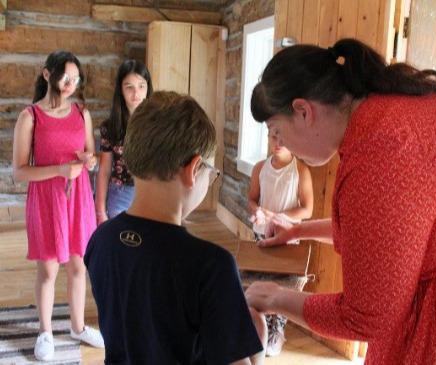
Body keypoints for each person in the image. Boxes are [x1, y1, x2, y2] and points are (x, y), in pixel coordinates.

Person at [245, 38, 436, 365]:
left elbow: (368, 316)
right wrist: (298, 230)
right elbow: (384, 236)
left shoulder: (381, 154)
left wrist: (276, 297)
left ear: (303, 110)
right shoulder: (386, 112)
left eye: (276, 130)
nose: (278, 143)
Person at [85, 91, 267, 364]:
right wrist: (258, 342)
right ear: (194, 169)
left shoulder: (101, 240)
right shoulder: (212, 266)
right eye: (211, 173)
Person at [12, 50, 104, 361]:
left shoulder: (81, 112)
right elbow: (20, 170)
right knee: (49, 268)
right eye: (66, 78)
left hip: (78, 199)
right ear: (47, 74)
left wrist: (88, 160)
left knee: (79, 265)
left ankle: (78, 327)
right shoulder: (30, 117)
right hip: (47, 200)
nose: (71, 85)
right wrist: (59, 170)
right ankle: (45, 331)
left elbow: (90, 154)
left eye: (76, 80)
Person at [247, 127, 313, 356]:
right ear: (267, 137)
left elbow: (307, 208)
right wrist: (258, 211)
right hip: (261, 233)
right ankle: (257, 327)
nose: (278, 141)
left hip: (286, 236)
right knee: (259, 278)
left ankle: (277, 332)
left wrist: (279, 217)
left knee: (284, 285)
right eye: (273, 136)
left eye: (283, 136)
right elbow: (252, 200)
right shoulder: (259, 168)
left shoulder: (300, 170)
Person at [95, 59, 153, 225]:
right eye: (129, 87)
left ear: (148, 87)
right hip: (120, 193)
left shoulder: (158, 123)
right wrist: (100, 211)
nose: (136, 93)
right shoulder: (110, 127)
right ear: (120, 89)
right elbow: (105, 169)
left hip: (152, 193)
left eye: (141, 86)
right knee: (123, 244)